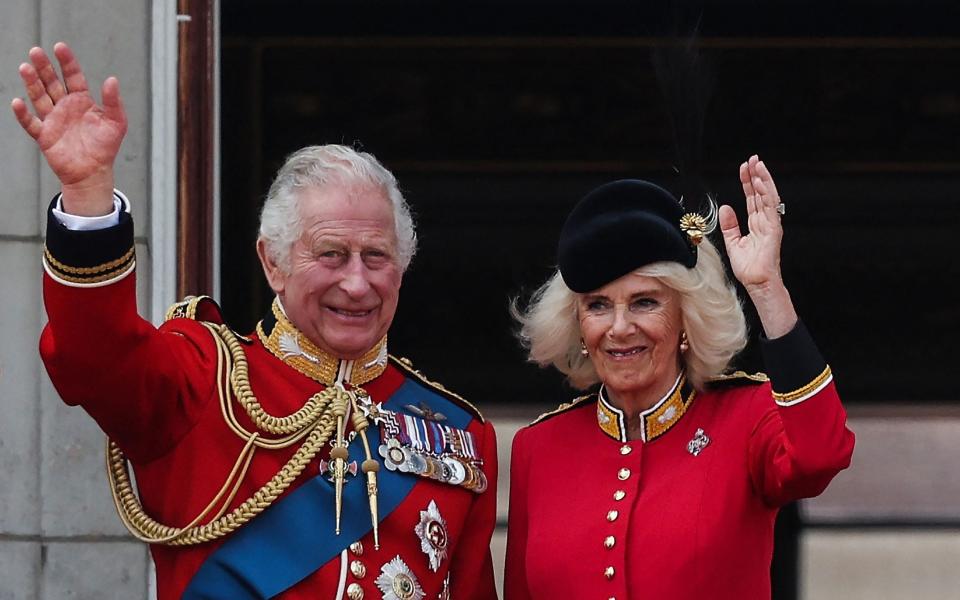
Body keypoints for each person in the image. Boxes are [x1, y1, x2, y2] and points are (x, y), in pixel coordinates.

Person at [12, 42, 498, 600]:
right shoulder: (201, 380)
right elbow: (93, 356)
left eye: (377, 257)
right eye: (332, 255)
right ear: (273, 262)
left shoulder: (460, 435)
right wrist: (88, 195)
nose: (358, 283)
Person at [505, 163, 855, 599]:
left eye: (644, 302)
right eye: (597, 306)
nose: (619, 327)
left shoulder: (746, 417)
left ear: (686, 317)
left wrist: (767, 290)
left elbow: (822, 456)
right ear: (576, 324)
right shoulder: (538, 449)